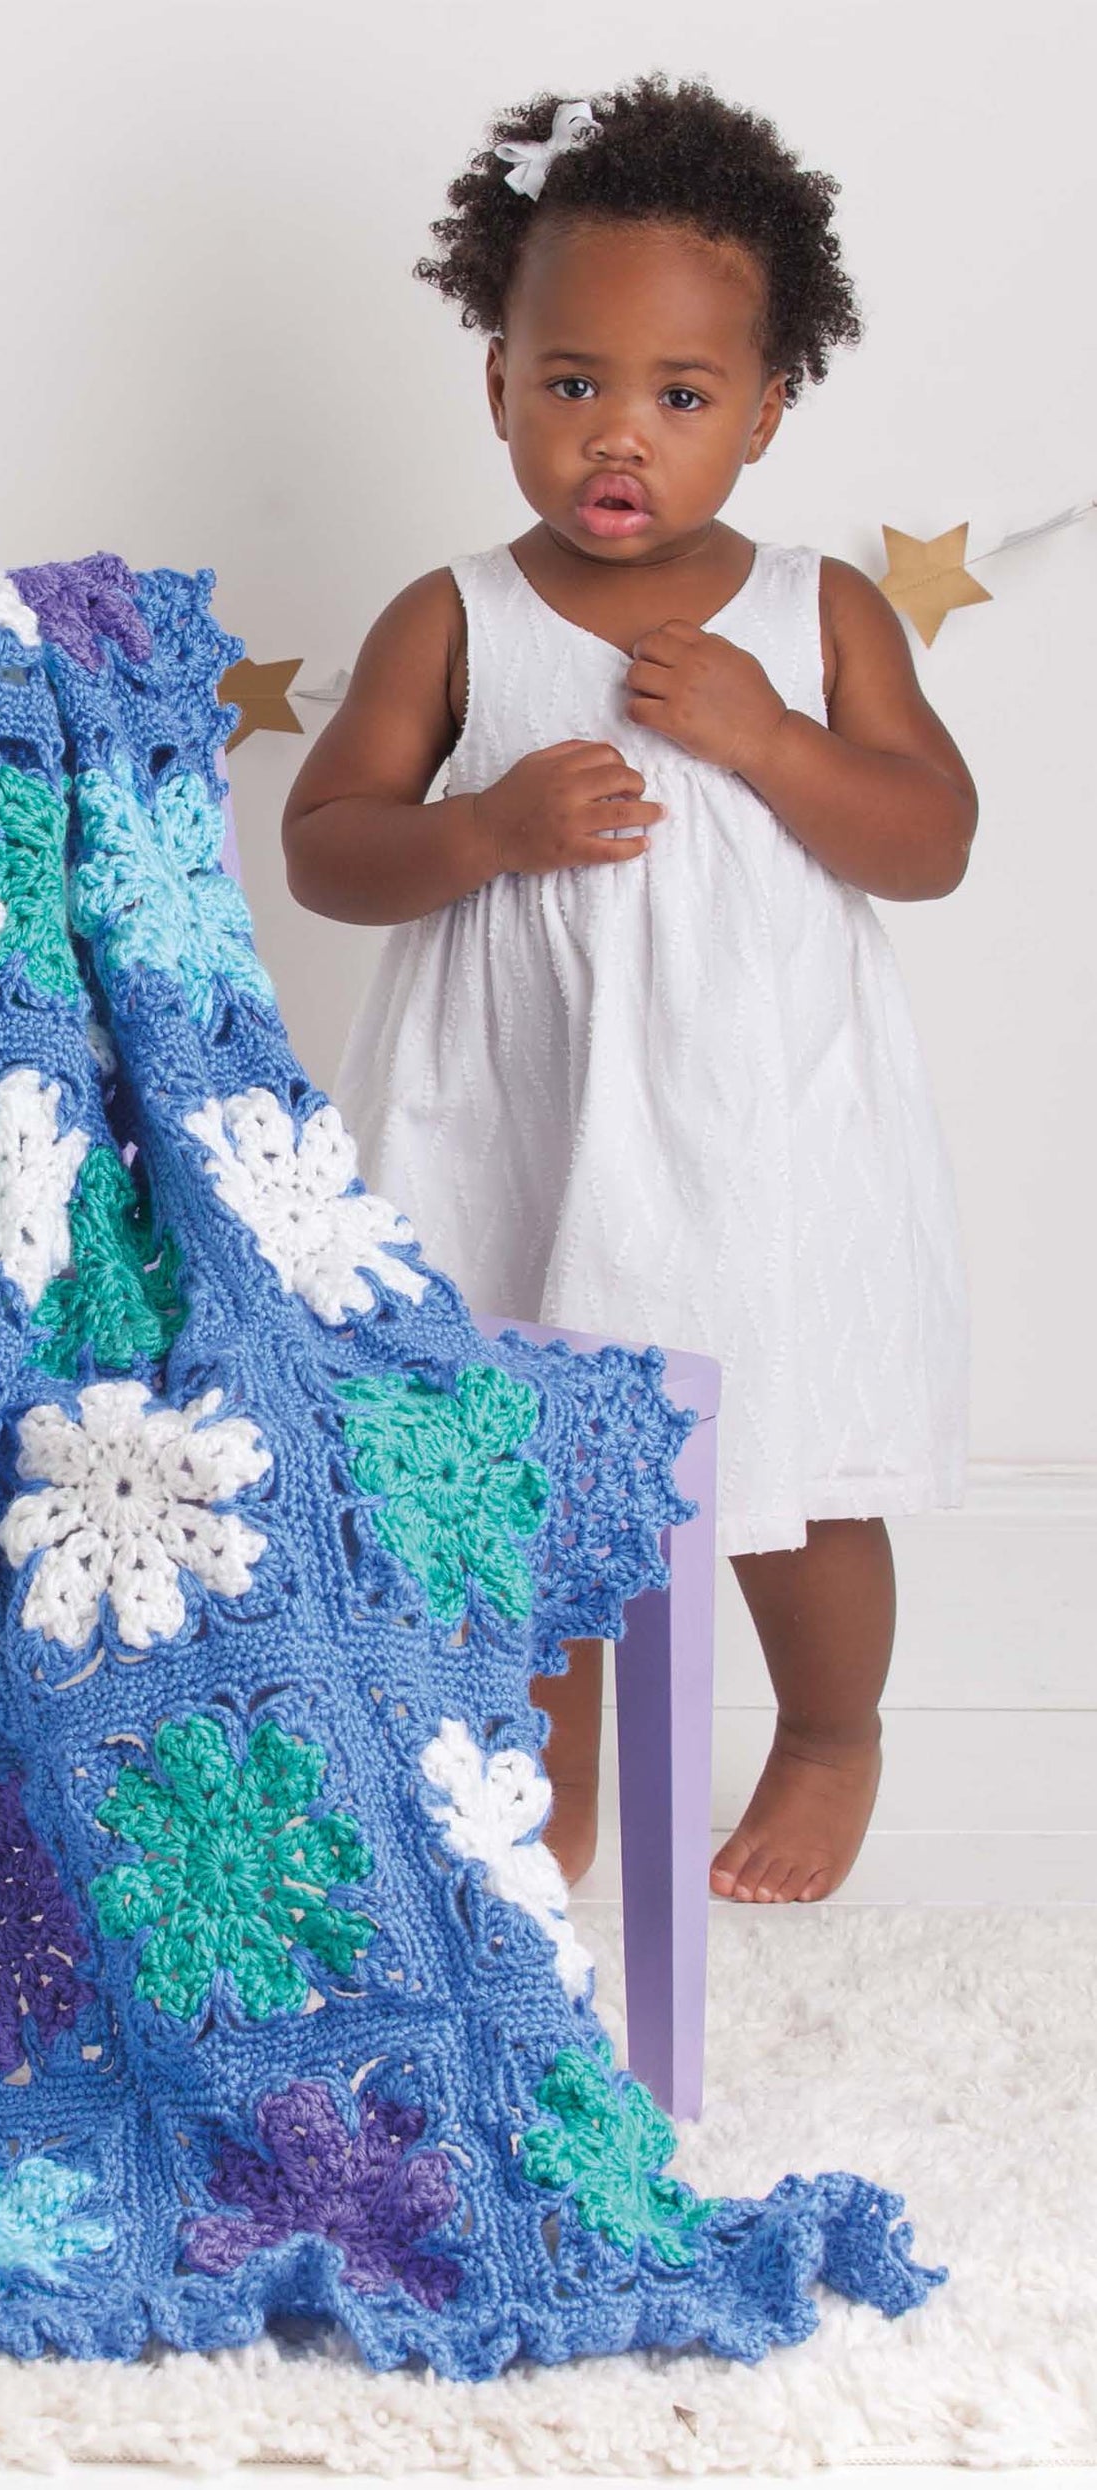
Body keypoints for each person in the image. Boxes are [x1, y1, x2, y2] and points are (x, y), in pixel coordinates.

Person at [283, 73, 973, 1907]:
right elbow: (327, 841)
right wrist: (485, 827)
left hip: (761, 1125)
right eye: (572, 381)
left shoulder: (818, 613)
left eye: (679, 397)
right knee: (532, 1474)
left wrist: (766, 742)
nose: (619, 435)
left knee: (796, 1450)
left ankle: (828, 1731)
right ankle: (546, 1768)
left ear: (762, 408)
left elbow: (927, 838)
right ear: (496, 382)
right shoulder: (450, 617)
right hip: (520, 1114)